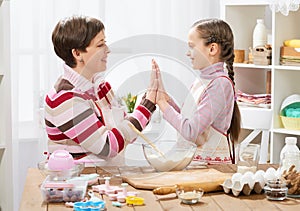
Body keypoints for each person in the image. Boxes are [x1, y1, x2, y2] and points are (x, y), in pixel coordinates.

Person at [44, 15, 157, 166]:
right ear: (77, 53)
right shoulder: (65, 99)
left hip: (107, 181)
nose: (108, 50)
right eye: (100, 45)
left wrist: (148, 103)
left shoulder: (101, 88)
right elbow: (109, 146)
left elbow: (127, 135)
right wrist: (146, 106)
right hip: (78, 184)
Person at [152, 18, 241, 164]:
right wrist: (167, 100)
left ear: (212, 49)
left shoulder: (220, 84)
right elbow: (189, 120)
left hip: (211, 171)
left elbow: (190, 131)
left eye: (192, 47)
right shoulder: (202, 81)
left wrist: (162, 104)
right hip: (196, 166)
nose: (188, 53)